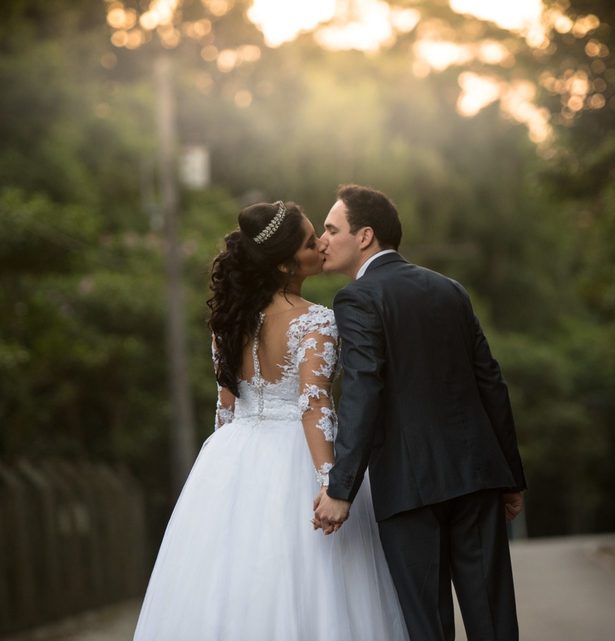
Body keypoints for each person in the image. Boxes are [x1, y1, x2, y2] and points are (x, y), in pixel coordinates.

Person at [133, 200, 408, 641]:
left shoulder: (229, 322)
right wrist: (329, 482)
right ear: (284, 264)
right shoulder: (315, 320)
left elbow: (226, 406)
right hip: (294, 453)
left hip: (230, 457)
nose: (320, 243)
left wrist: (221, 475)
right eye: (308, 241)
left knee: (232, 581)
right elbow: (314, 404)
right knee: (313, 579)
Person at [313, 184, 527, 641]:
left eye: (331, 229)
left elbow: (362, 389)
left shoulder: (356, 298)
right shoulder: (449, 289)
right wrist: (510, 476)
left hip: (410, 488)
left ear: (365, 235)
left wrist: (341, 488)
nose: (321, 240)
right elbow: (491, 382)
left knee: (427, 626)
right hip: (477, 478)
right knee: (494, 623)